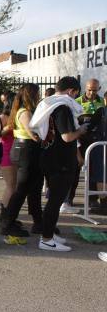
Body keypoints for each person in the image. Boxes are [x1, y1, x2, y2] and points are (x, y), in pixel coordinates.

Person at [29, 76, 89, 252]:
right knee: (55, 201)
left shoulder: (49, 104)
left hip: (50, 156)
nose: (75, 97)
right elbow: (67, 136)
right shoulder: (62, 107)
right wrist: (81, 130)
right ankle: (47, 239)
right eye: (75, 94)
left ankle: (48, 234)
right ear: (71, 91)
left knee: (53, 200)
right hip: (61, 160)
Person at [0, 84, 41, 239]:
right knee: (20, 188)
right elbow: (33, 134)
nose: (39, 96)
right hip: (25, 150)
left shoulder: (22, 110)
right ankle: (7, 222)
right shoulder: (24, 112)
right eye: (37, 94)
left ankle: (34, 221)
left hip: (24, 150)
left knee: (30, 187)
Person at [63, 78, 104, 214]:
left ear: (99, 89)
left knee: (95, 170)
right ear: (85, 88)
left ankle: (93, 199)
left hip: (96, 141)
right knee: (74, 169)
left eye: (95, 90)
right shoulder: (76, 102)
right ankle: (68, 199)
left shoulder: (102, 102)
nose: (92, 93)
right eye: (89, 90)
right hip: (79, 140)